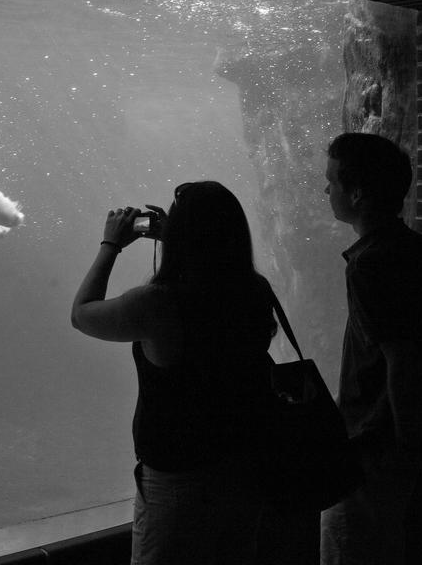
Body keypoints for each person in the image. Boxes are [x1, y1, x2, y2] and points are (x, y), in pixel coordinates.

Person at [71, 181, 277, 564]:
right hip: (243, 469)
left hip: (178, 480)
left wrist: (110, 245)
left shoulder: (158, 303)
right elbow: (212, 283)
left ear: (182, 234)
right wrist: (181, 239)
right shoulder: (254, 291)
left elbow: (82, 315)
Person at [320, 133, 422, 564]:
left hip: (372, 450)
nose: (326, 190)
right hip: (401, 446)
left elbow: (402, 362)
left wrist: (403, 447)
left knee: (348, 547)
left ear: (357, 193)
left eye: (333, 182)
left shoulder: (370, 263)